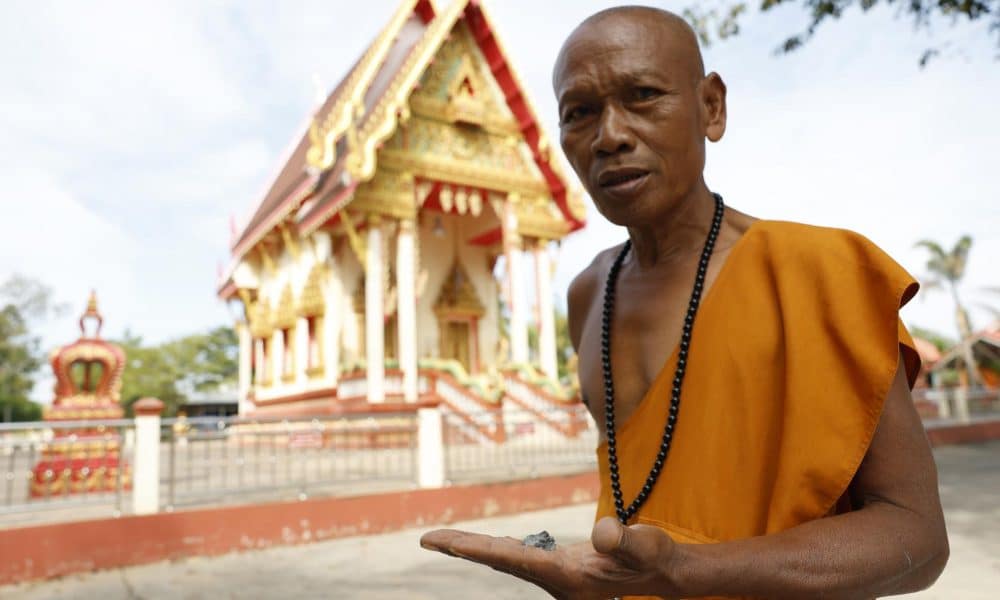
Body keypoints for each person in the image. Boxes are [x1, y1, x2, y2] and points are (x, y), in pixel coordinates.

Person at [420, 6, 949, 599]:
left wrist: (685, 573)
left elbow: (916, 535)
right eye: (580, 113)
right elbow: (640, 497)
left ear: (711, 108)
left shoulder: (822, 272)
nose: (610, 136)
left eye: (643, 95)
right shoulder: (588, 295)